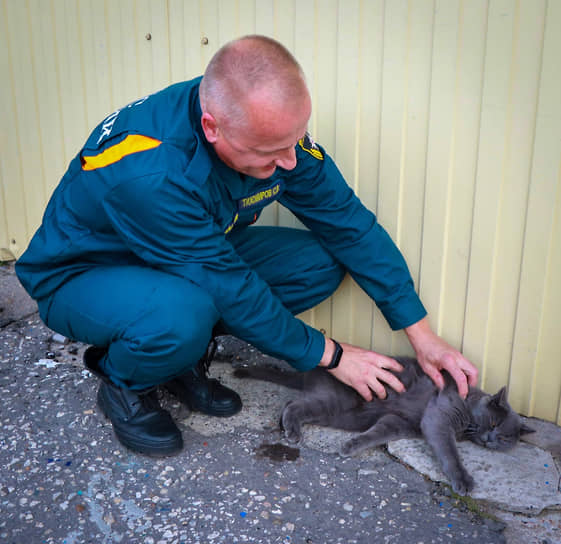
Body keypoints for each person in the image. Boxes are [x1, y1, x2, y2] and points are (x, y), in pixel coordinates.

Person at [16, 35, 478, 456]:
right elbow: (228, 285)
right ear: (214, 127)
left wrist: (422, 335)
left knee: (316, 264)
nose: (290, 160)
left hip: (188, 259)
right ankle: (124, 380)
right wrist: (332, 355)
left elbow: (347, 223)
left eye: (295, 140)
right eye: (270, 152)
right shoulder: (151, 168)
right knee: (185, 310)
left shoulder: (272, 133)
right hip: (83, 275)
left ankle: (177, 355)